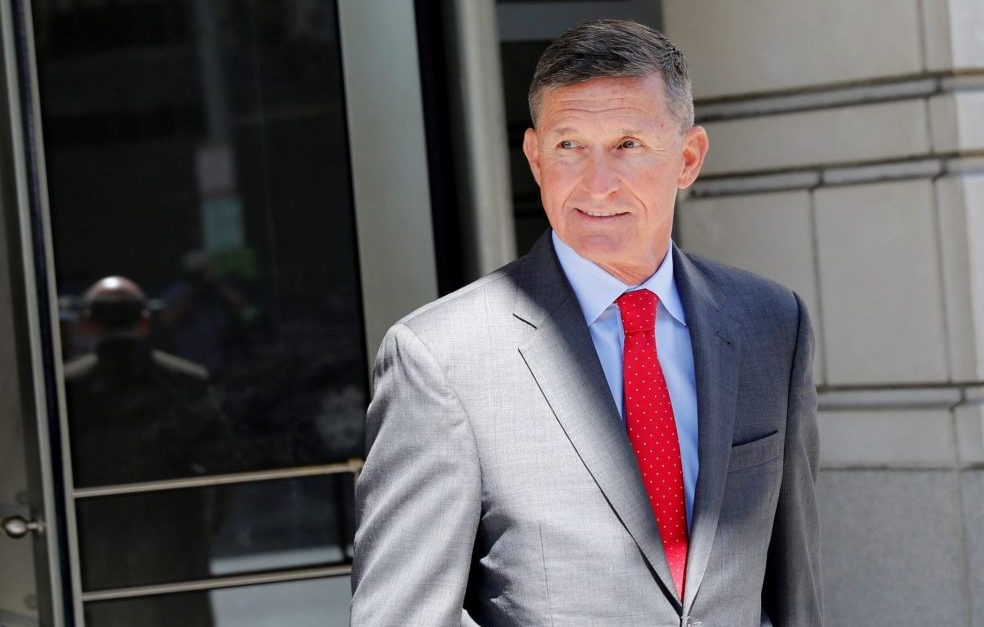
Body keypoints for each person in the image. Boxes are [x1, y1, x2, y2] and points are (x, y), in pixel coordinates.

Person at [351, 20, 821, 627]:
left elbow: (796, 592)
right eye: (570, 145)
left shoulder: (771, 324)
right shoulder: (439, 359)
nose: (597, 184)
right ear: (535, 158)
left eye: (628, 144)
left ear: (687, 158)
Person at [64, 276, 231, 627]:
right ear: (144, 321)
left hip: (96, 526)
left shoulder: (67, 387)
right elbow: (222, 458)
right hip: (176, 523)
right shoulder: (187, 378)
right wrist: (210, 519)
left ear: (87, 324)